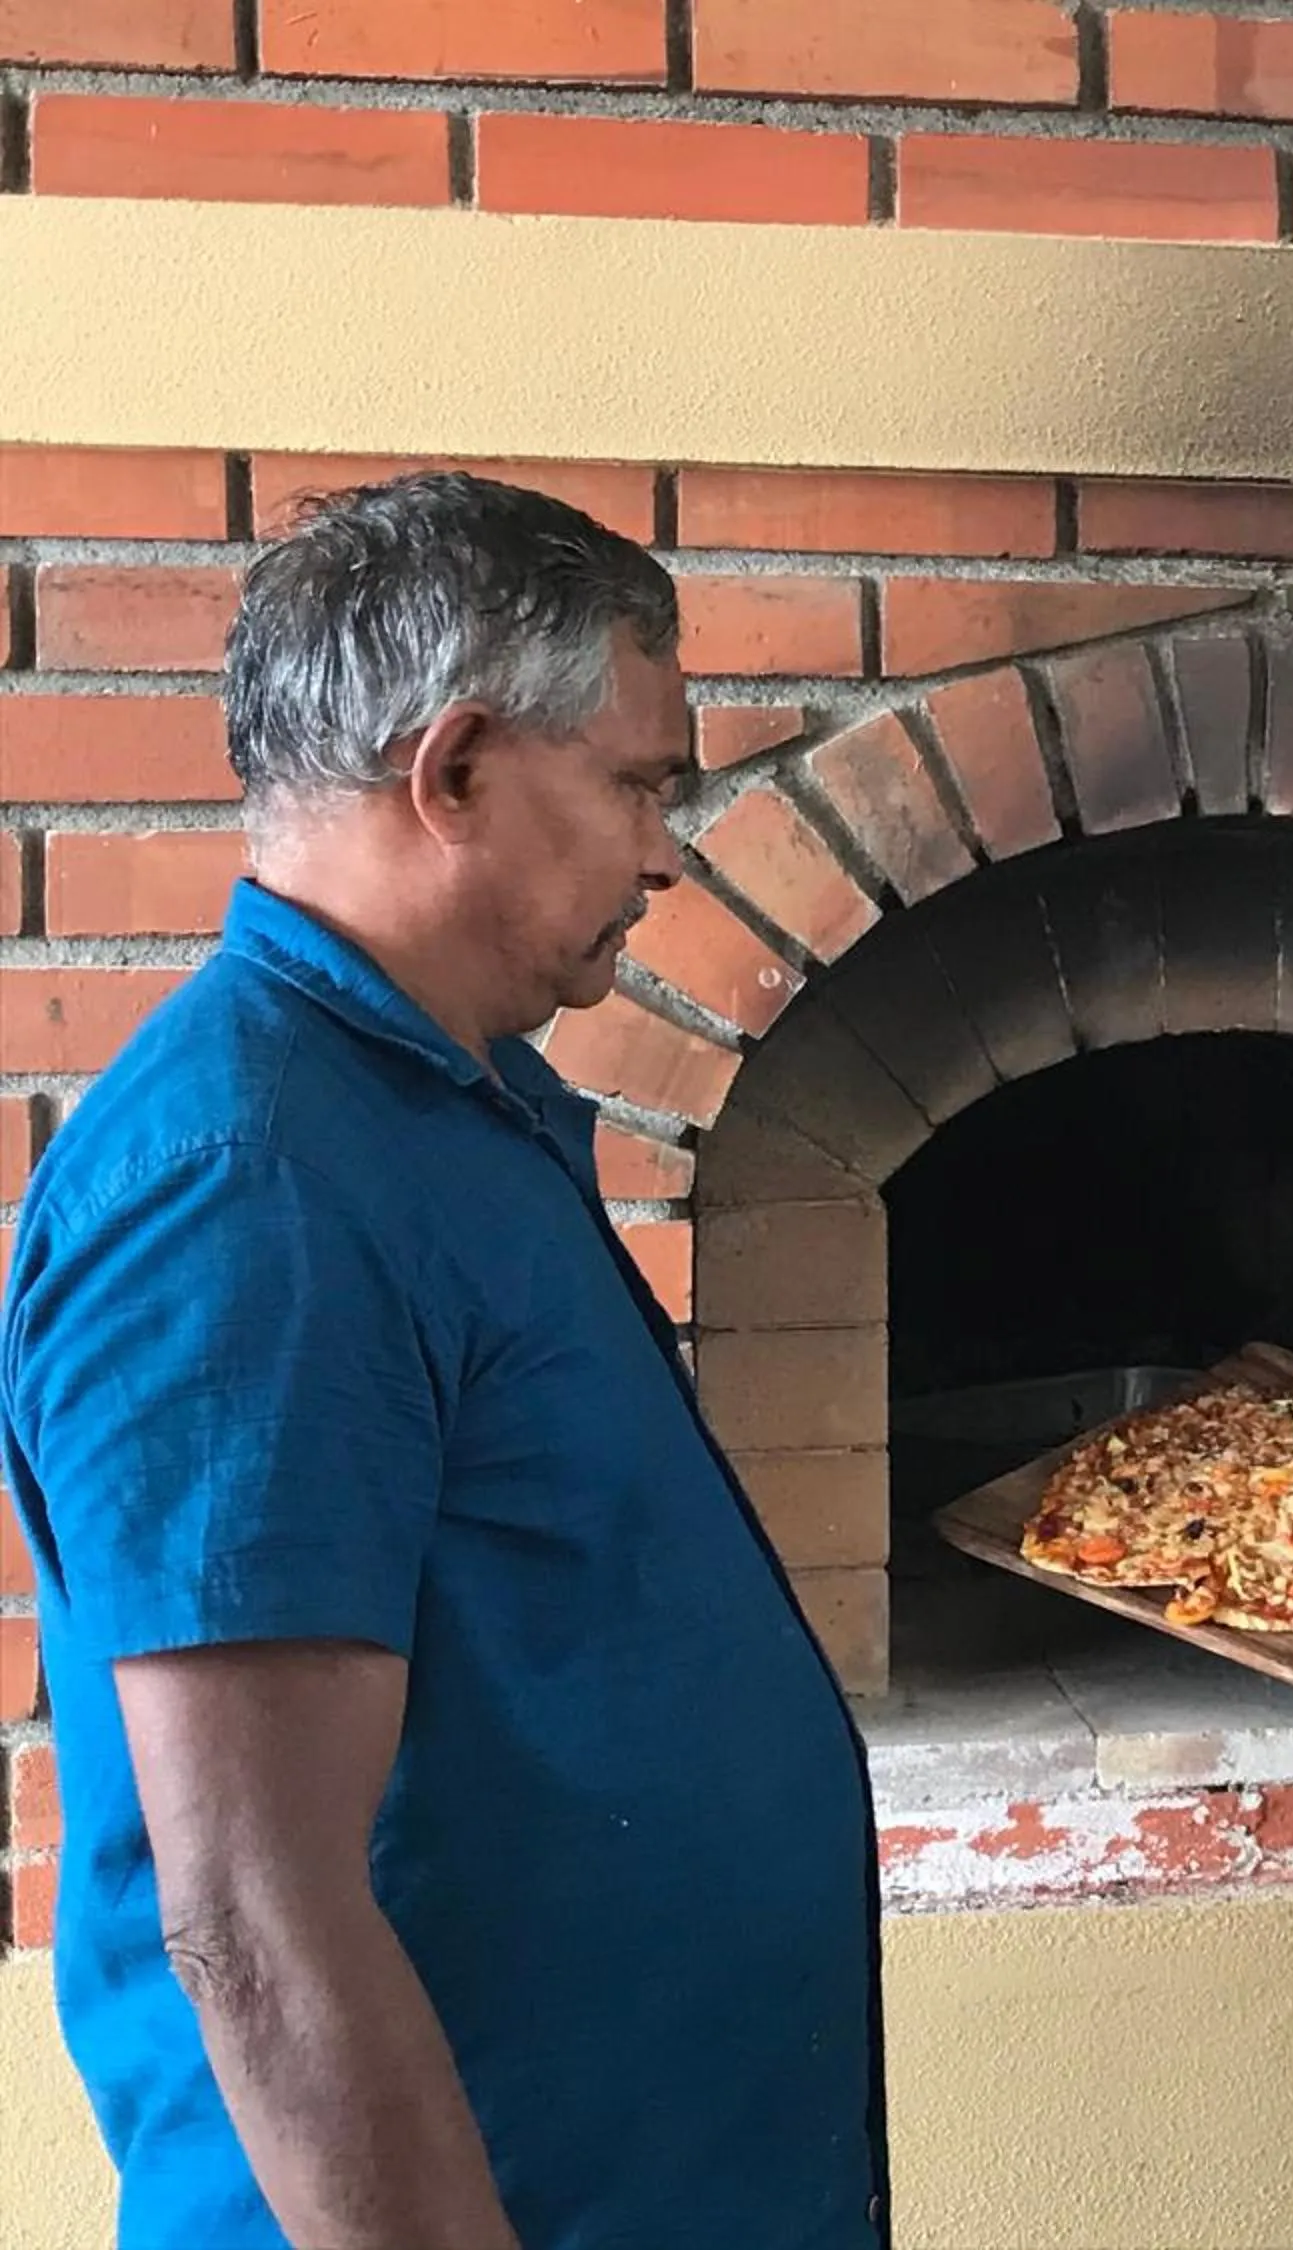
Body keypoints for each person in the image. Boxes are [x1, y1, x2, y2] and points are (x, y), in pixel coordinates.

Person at [0, 475, 885, 2248]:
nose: (663, 849)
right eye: (640, 780)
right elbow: (252, 1910)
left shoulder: (437, 1106)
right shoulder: (242, 1183)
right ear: (458, 768)